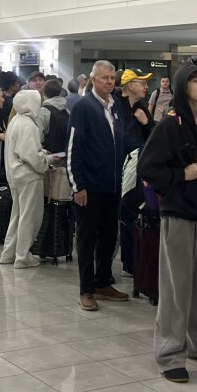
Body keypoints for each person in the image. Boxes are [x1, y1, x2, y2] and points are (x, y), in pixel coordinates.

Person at [138, 63, 197, 383]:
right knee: (176, 287)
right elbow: (148, 168)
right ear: (182, 87)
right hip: (177, 214)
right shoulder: (168, 127)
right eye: (195, 81)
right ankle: (169, 354)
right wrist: (184, 175)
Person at [67, 60, 128, 312]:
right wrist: (77, 185)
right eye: (104, 78)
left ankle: (103, 281)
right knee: (87, 238)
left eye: (112, 78)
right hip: (89, 187)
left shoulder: (115, 107)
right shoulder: (84, 107)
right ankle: (86, 289)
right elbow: (74, 148)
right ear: (93, 79)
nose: (109, 82)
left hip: (112, 186)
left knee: (109, 237)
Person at [0, 90, 50, 268]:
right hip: (28, 176)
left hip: (14, 175)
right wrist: (47, 160)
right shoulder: (29, 124)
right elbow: (32, 157)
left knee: (17, 216)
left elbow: (20, 149)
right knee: (30, 217)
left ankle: (9, 253)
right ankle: (22, 257)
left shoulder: (15, 121)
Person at [115, 69, 156, 277]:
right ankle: (124, 261)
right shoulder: (114, 106)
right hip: (116, 168)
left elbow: (153, 137)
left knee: (133, 212)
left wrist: (146, 123)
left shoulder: (142, 110)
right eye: (142, 83)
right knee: (122, 215)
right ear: (130, 85)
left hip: (138, 168)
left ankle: (132, 262)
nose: (146, 87)